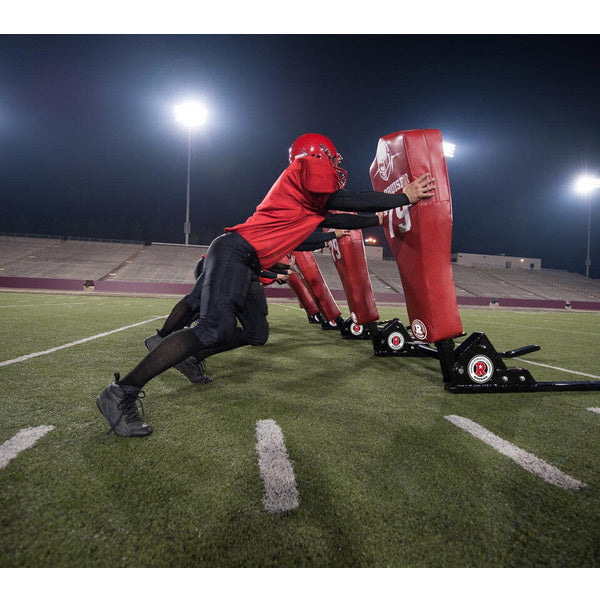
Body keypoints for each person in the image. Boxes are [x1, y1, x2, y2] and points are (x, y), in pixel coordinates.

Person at [95, 132, 436, 437]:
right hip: (235, 252)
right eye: (333, 159)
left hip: (248, 263)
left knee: (255, 333)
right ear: (316, 156)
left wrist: (380, 217)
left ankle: (189, 356)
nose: (337, 165)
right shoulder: (304, 170)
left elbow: (340, 215)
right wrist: (402, 197)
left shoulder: (309, 201)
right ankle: (122, 391)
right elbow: (345, 202)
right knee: (213, 329)